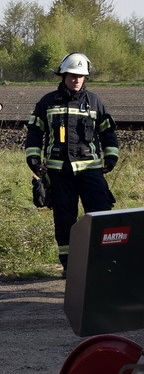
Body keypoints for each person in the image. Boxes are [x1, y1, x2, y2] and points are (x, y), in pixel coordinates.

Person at [25, 53, 118, 277]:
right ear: (63, 75)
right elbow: (34, 132)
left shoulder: (95, 101)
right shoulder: (47, 102)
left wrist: (111, 156)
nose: (76, 80)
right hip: (60, 173)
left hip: (90, 171)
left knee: (100, 216)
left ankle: (101, 263)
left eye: (81, 76)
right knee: (64, 220)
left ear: (86, 78)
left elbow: (108, 132)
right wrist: (33, 159)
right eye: (72, 75)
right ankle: (69, 265)